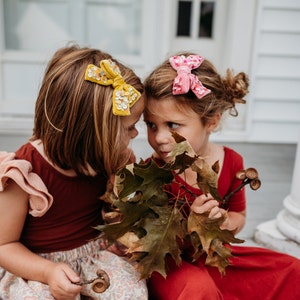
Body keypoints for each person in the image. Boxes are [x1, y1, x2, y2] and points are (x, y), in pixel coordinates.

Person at [143, 53, 300, 299]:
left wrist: (225, 222)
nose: (159, 137)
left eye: (172, 125)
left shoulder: (231, 162)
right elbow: (149, 240)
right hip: (172, 262)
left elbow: (239, 215)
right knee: (198, 290)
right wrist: (191, 224)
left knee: (291, 270)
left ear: (211, 122)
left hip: (214, 254)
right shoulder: (151, 172)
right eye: (151, 125)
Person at [0, 44, 148, 299]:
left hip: (95, 255)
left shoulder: (111, 160)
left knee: (131, 292)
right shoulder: (23, 172)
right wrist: (47, 272)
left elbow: (121, 212)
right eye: (128, 128)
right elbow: (4, 245)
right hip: (39, 268)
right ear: (90, 134)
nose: (136, 134)